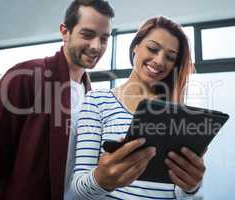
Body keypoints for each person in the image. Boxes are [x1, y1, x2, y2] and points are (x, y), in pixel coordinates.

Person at [0, 0, 114, 199]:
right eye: (87, 35)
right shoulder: (25, 76)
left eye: (104, 38)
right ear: (65, 31)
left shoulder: (92, 96)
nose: (96, 46)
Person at [70, 16, 205, 199]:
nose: (159, 61)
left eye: (170, 57)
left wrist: (192, 187)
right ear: (135, 46)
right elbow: (78, 190)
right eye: (153, 48)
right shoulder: (97, 100)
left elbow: (185, 195)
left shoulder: (180, 115)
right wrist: (101, 180)